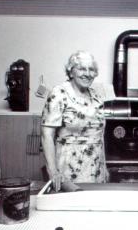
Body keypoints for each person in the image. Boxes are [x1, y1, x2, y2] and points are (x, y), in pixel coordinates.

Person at [41, 51, 108, 191]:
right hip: (68, 168)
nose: (87, 73)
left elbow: (100, 135)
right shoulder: (59, 93)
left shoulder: (97, 97)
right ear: (71, 72)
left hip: (96, 168)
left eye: (91, 69)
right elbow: (47, 135)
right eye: (82, 68)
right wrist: (53, 172)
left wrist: (105, 166)